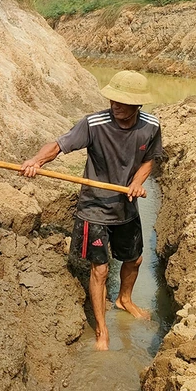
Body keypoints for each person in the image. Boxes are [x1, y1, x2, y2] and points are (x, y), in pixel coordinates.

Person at [20, 70, 163, 351]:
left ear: (138, 104)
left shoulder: (151, 126)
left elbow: (151, 160)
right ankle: (102, 330)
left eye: (122, 102)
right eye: (112, 100)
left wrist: (136, 181)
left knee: (134, 260)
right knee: (99, 269)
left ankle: (124, 299)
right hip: (94, 207)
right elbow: (59, 145)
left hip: (127, 206)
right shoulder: (94, 124)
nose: (114, 105)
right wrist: (37, 161)